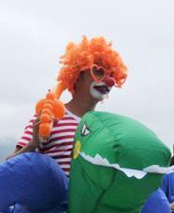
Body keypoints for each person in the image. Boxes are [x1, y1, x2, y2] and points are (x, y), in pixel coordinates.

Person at [10, 36, 127, 175]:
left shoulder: (104, 129)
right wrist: (33, 144)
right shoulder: (51, 116)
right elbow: (9, 166)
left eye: (112, 75)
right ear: (77, 75)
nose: (110, 81)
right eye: (98, 71)